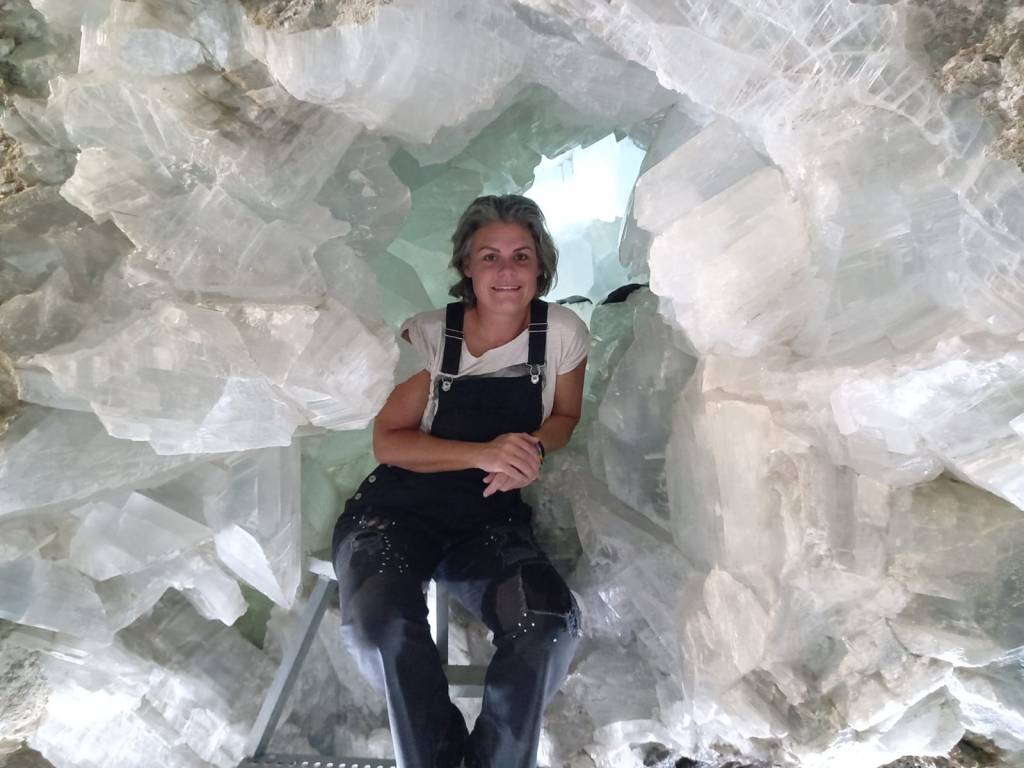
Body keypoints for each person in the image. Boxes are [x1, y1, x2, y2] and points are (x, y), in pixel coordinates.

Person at [332, 194, 590, 768]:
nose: (506, 270)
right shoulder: (428, 336)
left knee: (547, 623)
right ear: (467, 267)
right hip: (394, 514)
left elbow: (565, 417)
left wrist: (533, 447)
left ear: (541, 267)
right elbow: (389, 442)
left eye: (521, 256)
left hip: (488, 520)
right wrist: (484, 452)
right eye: (489, 256)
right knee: (380, 627)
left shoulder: (562, 333)